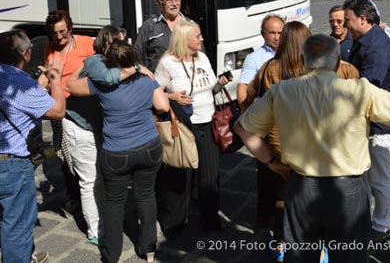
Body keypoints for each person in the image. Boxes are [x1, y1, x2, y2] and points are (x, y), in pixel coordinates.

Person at [234, 34, 390, 263]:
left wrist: (270, 162)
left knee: (301, 256)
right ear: (337, 61)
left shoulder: (282, 90)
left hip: (301, 187)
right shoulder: (360, 90)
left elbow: (243, 128)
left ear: (304, 61)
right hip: (348, 191)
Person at [243, 22, 359, 261]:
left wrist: (256, 120)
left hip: (277, 140)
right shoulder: (331, 68)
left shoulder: (270, 67)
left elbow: (249, 96)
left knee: (282, 196)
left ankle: (281, 244)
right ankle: (320, 244)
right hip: (313, 141)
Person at [66, 41, 169, 263]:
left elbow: (71, 85)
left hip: (117, 152)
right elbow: (163, 107)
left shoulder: (100, 84)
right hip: (149, 147)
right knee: (146, 196)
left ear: (109, 63)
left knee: (114, 203)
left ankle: (112, 254)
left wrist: (88, 64)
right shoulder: (145, 79)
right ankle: (149, 249)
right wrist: (144, 72)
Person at [154, 21, 229, 233]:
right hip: (183, 127)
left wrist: (220, 84)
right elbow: (153, 93)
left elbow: (210, 89)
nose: (202, 39)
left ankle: (210, 220)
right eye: (198, 36)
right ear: (184, 39)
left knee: (210, 177)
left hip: (208, 123)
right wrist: (171, 96)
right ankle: (173, 223)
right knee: (180, 177)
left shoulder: (203, 57)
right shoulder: (167, 63)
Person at [1, 30, 65, 263]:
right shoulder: (20, 82)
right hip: (11, 164)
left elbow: (21, 102)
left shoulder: (17, 83)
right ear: (26, 54)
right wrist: (55, 80)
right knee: (17, 223)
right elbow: (57, 111)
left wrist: (40, 83)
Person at [344, 0, 390, 243]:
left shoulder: (376, 46)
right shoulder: (363, 40)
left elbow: (368, 86)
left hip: (381, 124)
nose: (345, 25)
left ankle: (381, 226)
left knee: (380, 177)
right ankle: (367, 220)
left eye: (347, 20)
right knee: (367, 176)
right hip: (369, 121)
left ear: (362, 19)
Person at [43, 9, 102, 244]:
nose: (59, 37)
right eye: (54, 33)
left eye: (63, 32)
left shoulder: (87, 44)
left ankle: (88, 198)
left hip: (85, 110)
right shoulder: (49, 49)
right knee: (65, 157)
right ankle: (74, 196)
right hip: (62, 113)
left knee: (86, 160)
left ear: (71, 27)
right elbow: (49, 74)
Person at [134, 0, 188, 72]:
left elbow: (201, 57)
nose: (175, 4)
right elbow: (136, 56)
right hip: (158, 83)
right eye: (170, 1)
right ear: (158, 3)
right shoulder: (149, 27)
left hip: (185, 84)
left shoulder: (190, 26)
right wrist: (144, 73)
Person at [236, 15, 284, 104]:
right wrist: (245, 112)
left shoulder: (290, 53)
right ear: (263, 34)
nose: (277, 38)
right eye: (272, 33)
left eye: (280, 33)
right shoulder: (253, 58)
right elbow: (243, 87)